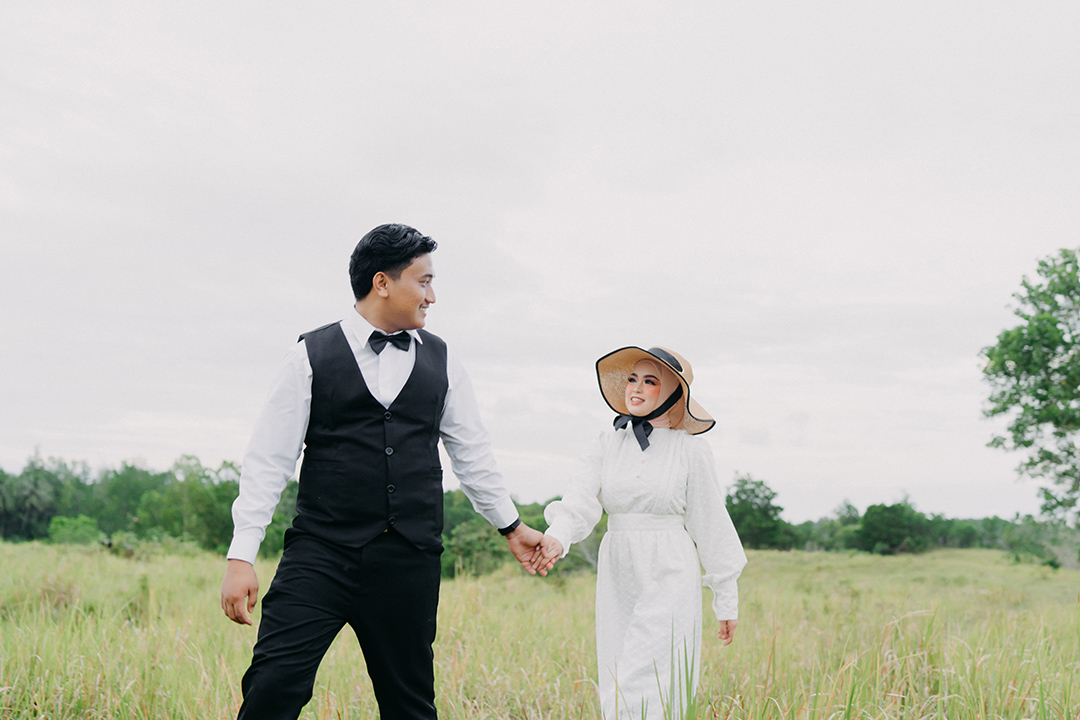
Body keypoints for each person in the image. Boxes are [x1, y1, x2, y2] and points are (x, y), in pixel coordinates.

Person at [220, 223, 551, 720]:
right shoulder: (308, 356)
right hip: (321, 554)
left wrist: (512, 526)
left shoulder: (444, 361)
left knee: (409, 706)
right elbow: (269, 460)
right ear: (382, 283)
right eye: (423, 281)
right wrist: (241, 554)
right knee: (272, 688)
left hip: (408, 560)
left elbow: (473, 456)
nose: (432, 296)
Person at [540, 346, 747, 720]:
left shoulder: (691, 451)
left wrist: (726, 599)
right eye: (632, 379)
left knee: (650, 677)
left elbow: (712, 524)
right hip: (618, 570)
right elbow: (579, 500)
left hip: (669, 570)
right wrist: (557, 537)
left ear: (672, 393)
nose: (635, 388)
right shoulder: (606, 443)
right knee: (617, 672)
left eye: (650, 381)